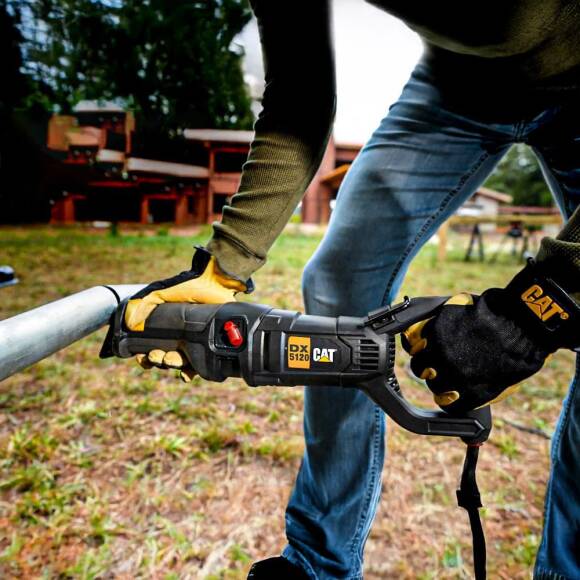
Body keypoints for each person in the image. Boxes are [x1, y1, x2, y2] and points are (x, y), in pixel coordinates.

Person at [125, 2, 580, 578]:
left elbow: (547, 301)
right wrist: (226, 265)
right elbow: (298, 97)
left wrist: (535, 309)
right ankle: (320, 563)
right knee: (339, 279)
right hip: (458, 85)